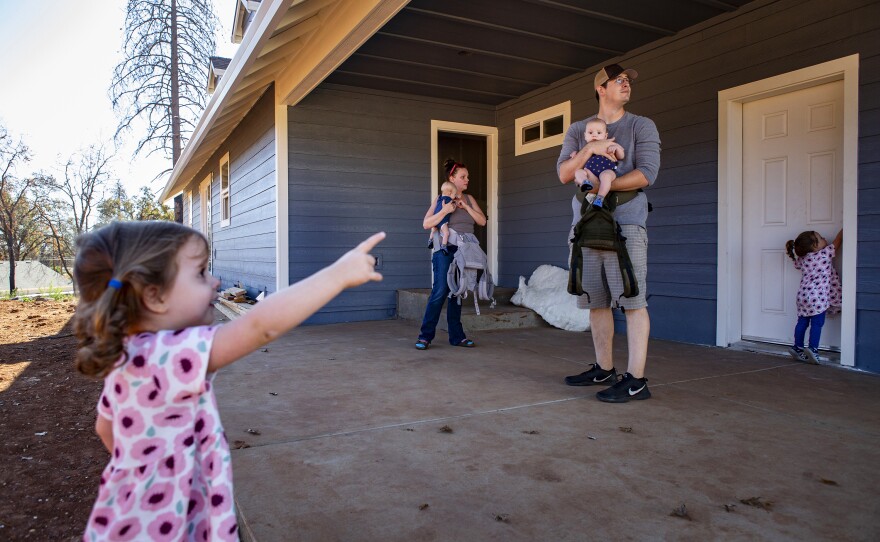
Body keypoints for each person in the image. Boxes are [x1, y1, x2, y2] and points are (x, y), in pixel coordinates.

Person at [73, 220, 384, 541]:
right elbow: (258, 326)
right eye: (200, 273)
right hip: (167, 525)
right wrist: (337, 275)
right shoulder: (169, 354)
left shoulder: (128, 355)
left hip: (130, 515)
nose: (215, 281)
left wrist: (142, 470)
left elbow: (105, 427)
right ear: (154, 295)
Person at [557, 63, 661, 403]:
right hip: (585, 224)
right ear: (601, 88)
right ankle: (604, 368)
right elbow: (563, 173)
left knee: (632, 299)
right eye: (619, 80)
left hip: (625, 222)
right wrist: (589, 150)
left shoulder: (640, 125)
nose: (626, 84)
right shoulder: (578, 130)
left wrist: (607, 183)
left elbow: (646, 173)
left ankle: (636, 380)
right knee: (595, 300)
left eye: (628, 80)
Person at [415, 158, 487, 350]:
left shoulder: (469, 199)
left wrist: (466, 207)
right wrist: (445, 210)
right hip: (445, 250)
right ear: (452, 179)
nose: (467, 180)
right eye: (463, 177)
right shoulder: (440, 199)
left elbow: (482, 221)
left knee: (458, 292)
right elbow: (426, 223)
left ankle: (457, 336)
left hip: (464, 251)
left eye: (467, 177)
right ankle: (425, 336)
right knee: (440, 291)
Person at [785, 229, 842, 364]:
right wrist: (842, 231)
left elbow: (797, 264)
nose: (824, 238)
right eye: (820, 238)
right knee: (817, 323)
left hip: (802, 296)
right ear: (815, 246)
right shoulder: (824, 254)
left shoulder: (802, 259)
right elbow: (837, 242)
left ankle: (797, 347)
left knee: (802, 322)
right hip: (817, 297)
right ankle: (813, 349)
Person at [577, 117, 625, 209]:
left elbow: (621, 156)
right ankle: (585, 182)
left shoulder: (608, 144)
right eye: (590, 133)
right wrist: (574, 155)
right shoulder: (585, 149)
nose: (594, 135)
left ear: (605, 136)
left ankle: (600, 198)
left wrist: (616, 148)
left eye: (599, 133)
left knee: (606, 177)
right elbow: (578, 160)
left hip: (607, 170)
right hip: (589, 173)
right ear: (585, 136)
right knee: (578, 172)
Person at [427, 180, 459, 252]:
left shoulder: (439, 198)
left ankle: (430, 240)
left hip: (436, 220)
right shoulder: (449, 200)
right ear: (450, 193)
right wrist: (455, 204)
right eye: (454, 194)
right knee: (446, 233)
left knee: (433, 231)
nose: (455, 196)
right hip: (442, 221)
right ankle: (444, 246)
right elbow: (452, 209)